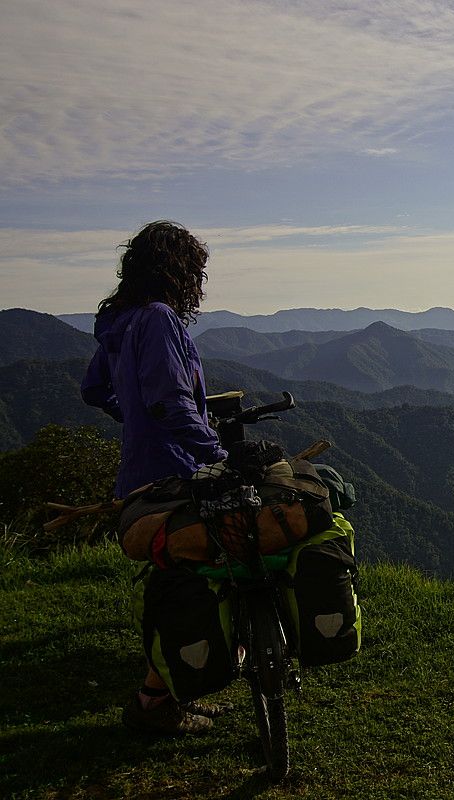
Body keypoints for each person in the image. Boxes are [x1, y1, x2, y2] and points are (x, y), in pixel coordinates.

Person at [81, 220, 229, 735]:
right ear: (177, 270)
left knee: (176, 584)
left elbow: (93, 390)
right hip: (173, 475)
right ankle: (153, 701)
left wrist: (133, 419)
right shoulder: (160, 319)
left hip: (136, 482)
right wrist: (218, 453)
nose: (198, 282)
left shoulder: (121, 324)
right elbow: (171, 403)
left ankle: (166, 691)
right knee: (195, 581)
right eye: (195, 271)